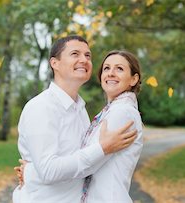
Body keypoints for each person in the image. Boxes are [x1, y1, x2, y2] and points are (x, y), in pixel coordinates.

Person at [12, 36, 137, 203]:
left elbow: (86, 165)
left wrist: (31, 172)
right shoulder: (41, 107)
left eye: (88, 55)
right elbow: (49, 170)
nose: (83, 60)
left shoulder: (80, 110)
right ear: (54, 63)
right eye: (75, 54)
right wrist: (103, 148)